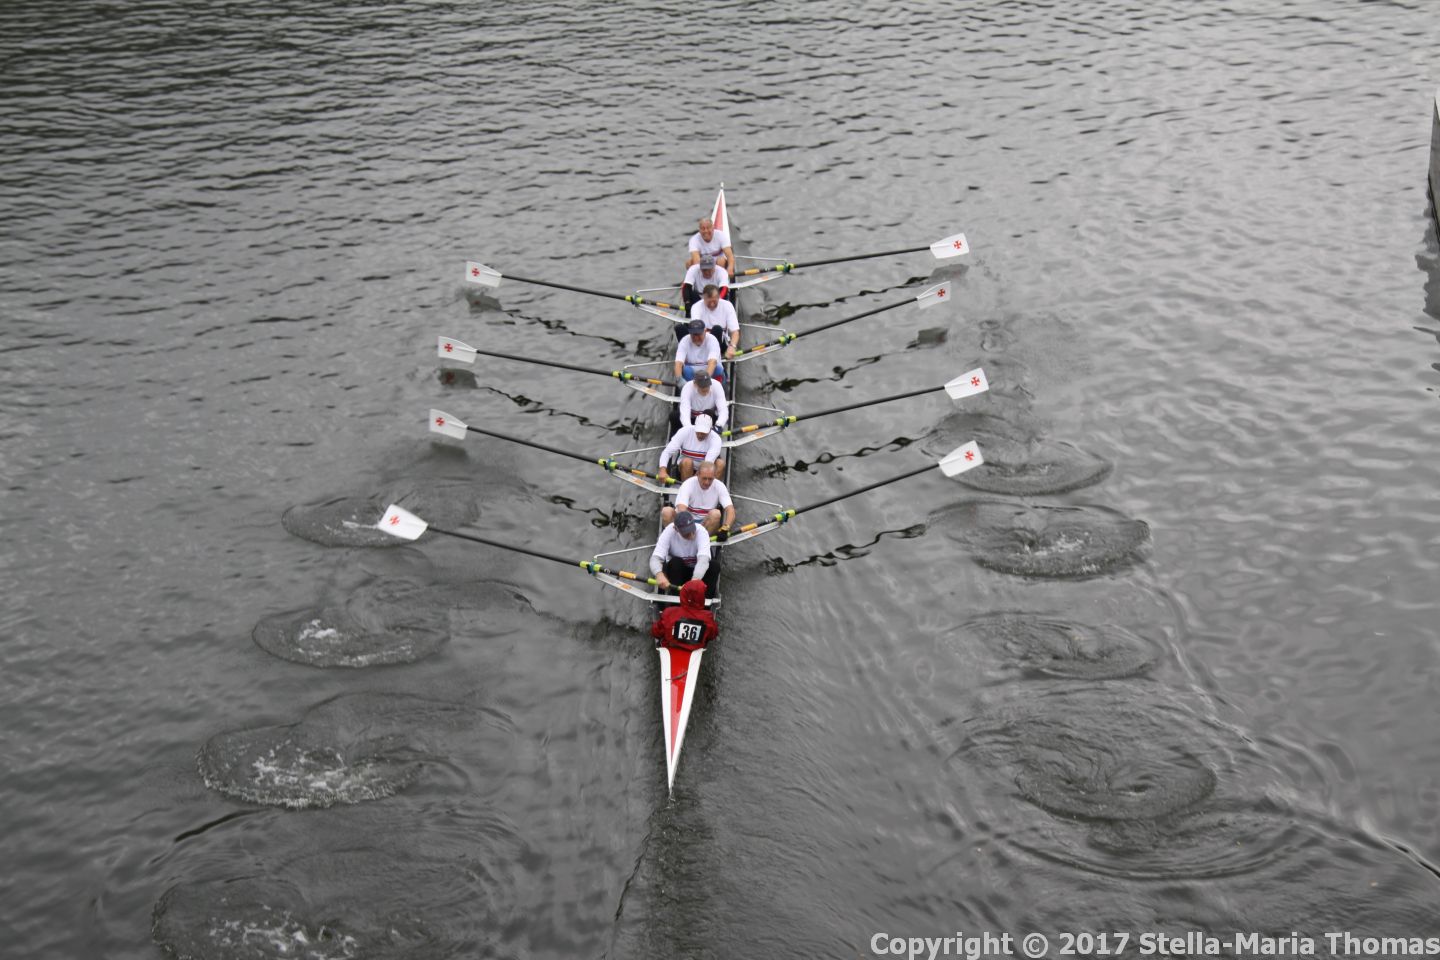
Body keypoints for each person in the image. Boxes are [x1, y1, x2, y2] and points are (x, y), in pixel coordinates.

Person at [650, 509, 716, 595]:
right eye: (687, 533)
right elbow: (655, 558)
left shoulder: (701, 531)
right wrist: (659, 575)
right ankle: (675, 597)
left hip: (698, 573)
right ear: (676, 529)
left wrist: (694, 581)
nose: (692, 535)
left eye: (692, 529)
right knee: (676, 562)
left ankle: (705, 599)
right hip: (678, 573)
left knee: (714, 566)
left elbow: (703, 560)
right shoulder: (669, 532)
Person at [662, 460, 735, 537]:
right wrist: (688, 529)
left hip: (705, 523)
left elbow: (730, 510)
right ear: (698, 474)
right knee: (666, 511)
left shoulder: (720, 486)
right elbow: (682, 509)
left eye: (710, 479)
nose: (707, 482)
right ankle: (676, 539)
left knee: (716, 514)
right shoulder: (688, 484)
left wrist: (726, 528)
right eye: (704, 478)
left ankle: (702, 540)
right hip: (686, 521)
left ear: (714, 476)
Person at [650, 579, 718, 651]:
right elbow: (713, 635)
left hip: (669, 647)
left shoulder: (669, 612)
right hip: (695, 650)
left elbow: (655, 632)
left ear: (683, 594)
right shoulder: (708, 617)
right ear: (702, 597)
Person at [658, 413, 724, 482]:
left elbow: (707, 464)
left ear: (710, 430)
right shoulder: (684, 431)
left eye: (703, 433)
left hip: (705, 470)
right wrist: (662, 470)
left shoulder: (716, 439)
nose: (700, 435)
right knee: (687, 462)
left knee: (720, 464)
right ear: (695, 426)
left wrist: (697, 479)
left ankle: (710, 487)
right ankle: (686, 486)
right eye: (698, 432)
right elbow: (667, 452)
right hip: (684, 467)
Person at [688, 283, 741, 358]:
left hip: (721, 342)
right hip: (703, 341)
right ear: (703, 298)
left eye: (714, 301)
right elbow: (696, 332)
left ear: (719, 297)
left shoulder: (727, 305)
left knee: (717, 329)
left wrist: (732, 346)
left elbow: (735, 332)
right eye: (709, 302)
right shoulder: (696, 307)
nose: (712, 304)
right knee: (680, 328)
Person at [674, 318, 721, 383]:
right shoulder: (684, 340)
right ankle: (690, 386)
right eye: (693, 335)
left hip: (709, 369)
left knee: (718, 369)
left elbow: (712, 362)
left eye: (698, 334)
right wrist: (679, 379)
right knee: (686, 370)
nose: (696, 338)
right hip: (692, 371)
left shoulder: (712, 339)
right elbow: (678, 363)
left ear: (705, 331)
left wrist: (705, 380)